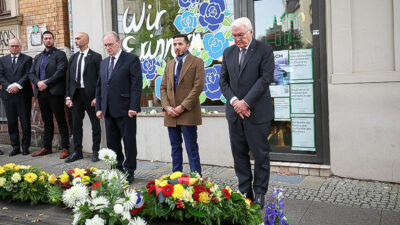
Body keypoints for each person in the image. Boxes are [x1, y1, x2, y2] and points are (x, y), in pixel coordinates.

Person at [219, 17, 274, 207]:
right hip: (235, 113)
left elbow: (265, 79)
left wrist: (246, 102)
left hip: (257, 113)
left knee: (260, 155)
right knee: (239, 154)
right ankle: (245, 191)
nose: (237, 40)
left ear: (250, 32)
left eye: (240, 35)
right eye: (234, 36)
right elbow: (223, 82)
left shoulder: (264, 50)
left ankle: (259, 192)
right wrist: (235, 102)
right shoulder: (228, 52)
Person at [95, 31, 142, 184]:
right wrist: (99, 108)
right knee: (112, 143)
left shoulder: (131, 60)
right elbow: (100, 86)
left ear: (118, 43)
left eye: (110, 45)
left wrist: (134, 106)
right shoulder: (103, 63)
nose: (108, 48)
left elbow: (136, 85)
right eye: (105, 46)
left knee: (129, 142)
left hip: (126, 110)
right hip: (108, 110)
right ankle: (116, 169)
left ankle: (129, 170)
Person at [160, 34, 205, 176]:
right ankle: (176, 177)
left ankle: (196, 180)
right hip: (171, 114)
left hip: (188, 112)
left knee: (191, 148)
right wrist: (167, 107)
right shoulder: (169, 64)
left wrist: (182, 107)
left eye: (180, 44)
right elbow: (163, 88)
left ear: (187, 45)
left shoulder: (197, 62)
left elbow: (198, 87)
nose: (177, 47)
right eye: (174, 44)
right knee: (175, 148)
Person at [28, 30, 70, 159]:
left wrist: (47, 82)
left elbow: (61, 71)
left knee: (61, 120)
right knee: (47, 121)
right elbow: (31, 73)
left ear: (53, 39)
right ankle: (47, 147)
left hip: (55, 92)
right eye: (45, 38)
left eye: (50, 38)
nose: (48, 40)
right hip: (41, 93)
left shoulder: (60, 54)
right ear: (42, 40)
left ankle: (65, 148)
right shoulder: (38, 57)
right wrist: (38, 83)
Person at [65, 32, 102, 163]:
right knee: (76, 125)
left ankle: (96, 151)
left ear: (86, 40)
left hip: (90, 96)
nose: (76, 40)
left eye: (78, 38)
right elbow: (69, 79)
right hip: (76, 96)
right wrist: (68, 97)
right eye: (75, 38)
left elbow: (100, 79)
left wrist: (98, 97)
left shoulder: (96, 57)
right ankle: (77, 152)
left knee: (95, 125)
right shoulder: (73, 58)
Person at [0, 38, 33, 156]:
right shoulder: (2, 60)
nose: (14, 48)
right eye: (12, 46)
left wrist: (17, 85)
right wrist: (9, 86)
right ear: (8, 47)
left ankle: (25, 147)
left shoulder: (28, 59)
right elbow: (1, 75)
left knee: (25, 122)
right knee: (12, 122)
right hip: (8, 95)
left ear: (20, 46)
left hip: (23, 95)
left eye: (16, 46)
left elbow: (28, 74)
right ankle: (15, 147)